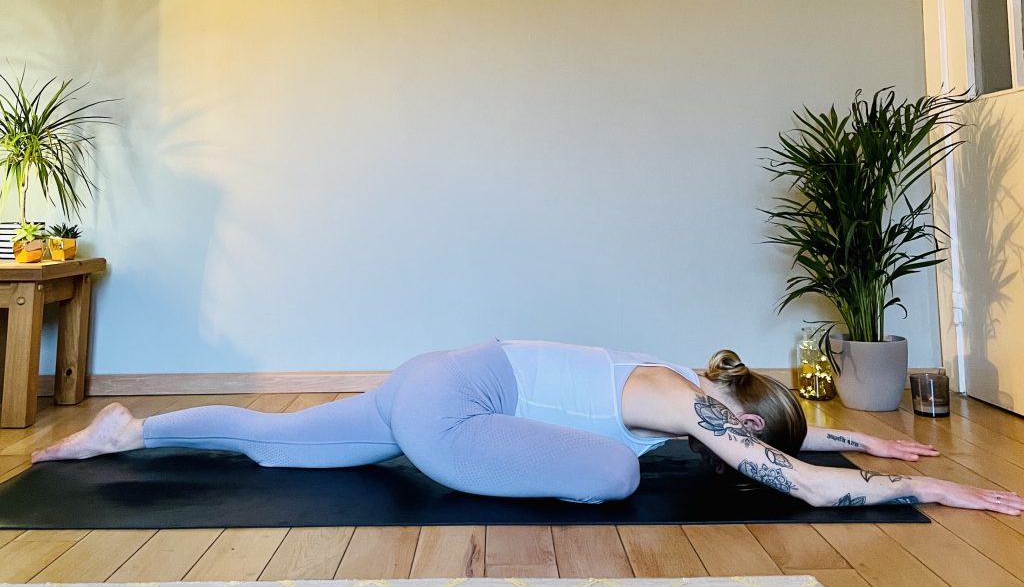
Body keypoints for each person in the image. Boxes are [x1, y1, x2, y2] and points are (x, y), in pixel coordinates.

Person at [31, 337, 1023, 514]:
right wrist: (939, 485)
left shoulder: (681, 380)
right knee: (613, 477)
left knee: (272, 437)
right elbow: (794, 481)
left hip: (426, 378)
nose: (735, 454)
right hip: (452, 409)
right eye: (743, 444)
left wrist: (862, 438)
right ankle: (129, 430)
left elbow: (778, 447)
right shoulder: (690, 408)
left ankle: (129, 429)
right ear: (730, 421)